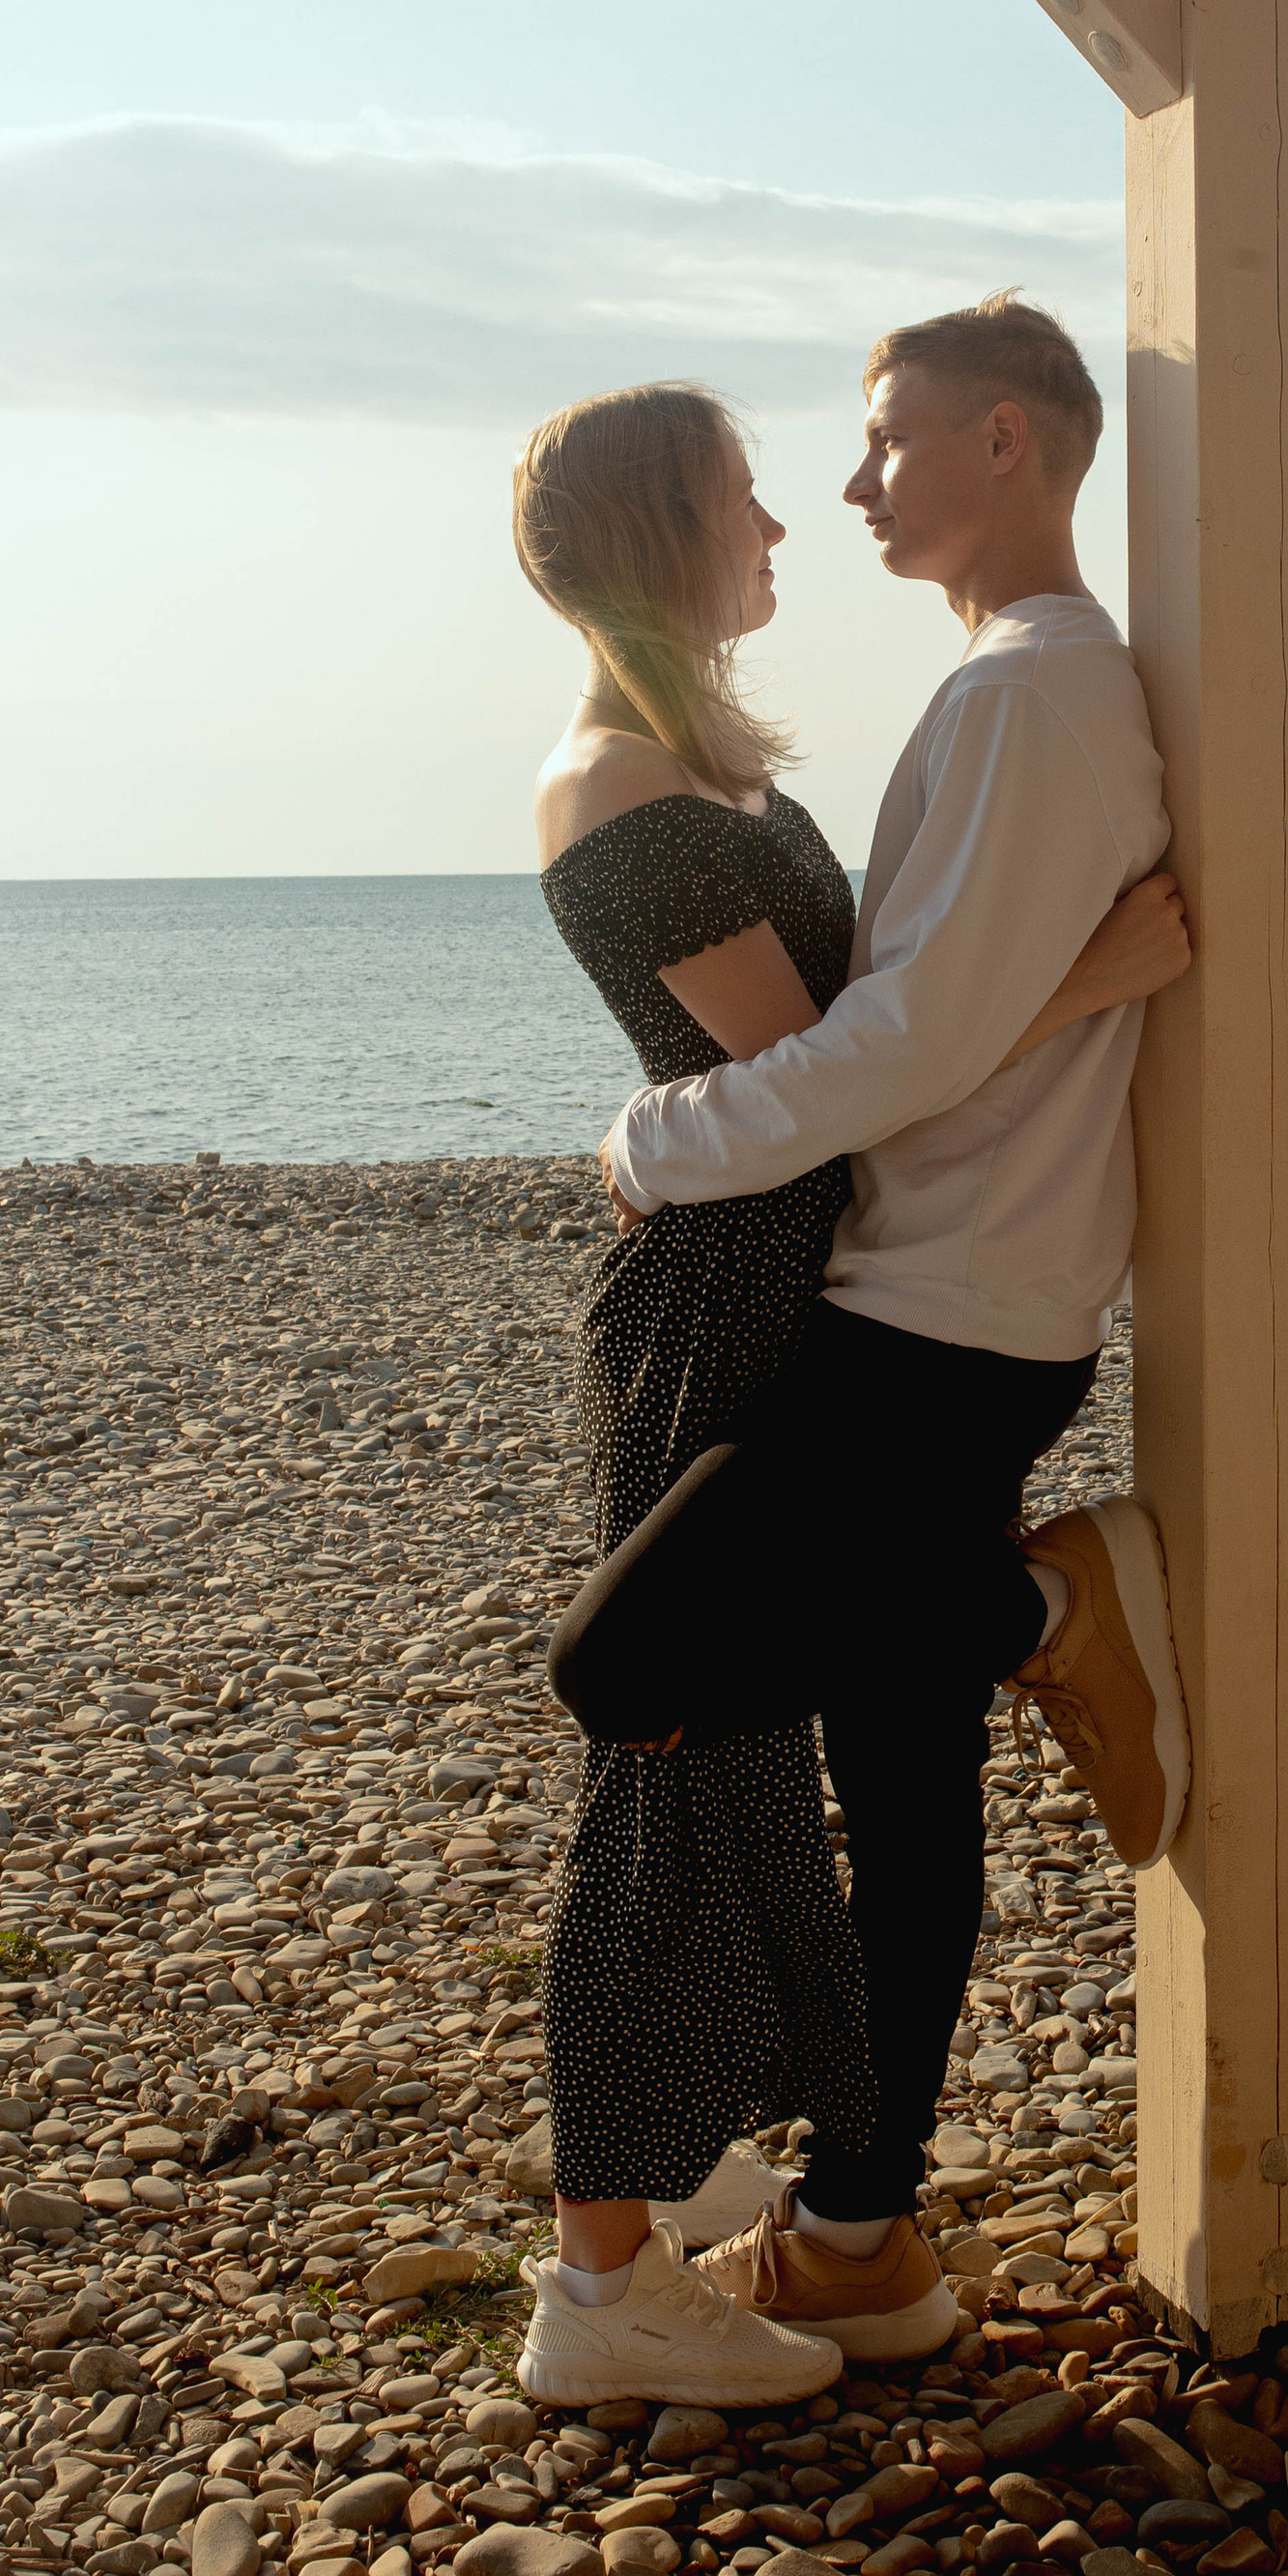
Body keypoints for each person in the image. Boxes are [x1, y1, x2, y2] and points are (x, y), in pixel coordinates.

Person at [510, 376, 1190, 2408]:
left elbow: (861, 1048)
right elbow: (831, 1081)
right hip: (720, 1299)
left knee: (791, 1763)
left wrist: (1028, 984)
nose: (785, 525)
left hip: (794, 1280)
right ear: (662, 536)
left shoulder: (701, 763)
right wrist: (1072, 978)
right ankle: (599, 2270)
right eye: (742, 499)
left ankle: (804, 2197)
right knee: (655, 1735)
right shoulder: (620, 791)